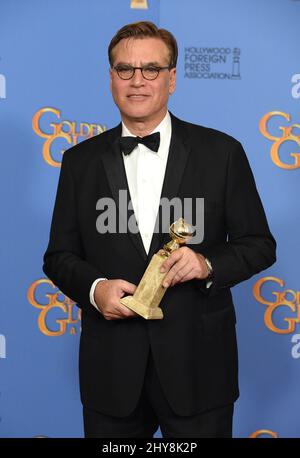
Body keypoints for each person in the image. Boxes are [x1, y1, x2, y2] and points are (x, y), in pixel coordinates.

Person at [43, 21, 276, 438]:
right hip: (110, 372)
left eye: (150, 69)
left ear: (171, 78)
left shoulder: (222, 153)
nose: (137, 81)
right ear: (110, 78)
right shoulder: (78, 162)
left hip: (199, 367)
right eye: (125, 70)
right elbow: (58, 256)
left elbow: (259, 245)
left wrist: (206, 263)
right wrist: (96, 288)